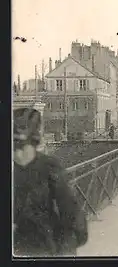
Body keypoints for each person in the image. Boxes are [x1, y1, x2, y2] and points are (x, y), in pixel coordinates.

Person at [13, 108, 88, 256]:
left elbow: (70, 211)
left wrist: (65, 250)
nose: (17, 154)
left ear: (34, 141)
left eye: (22, 146)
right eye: (14, 146)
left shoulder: (48, 167)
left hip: (45, 245)